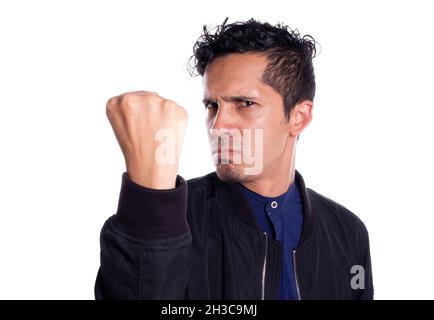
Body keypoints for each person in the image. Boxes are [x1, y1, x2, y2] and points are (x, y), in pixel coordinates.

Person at [95, 18, 374, 300]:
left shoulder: (348, 234)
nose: (218, 126)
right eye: (212, 105)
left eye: (245, 104)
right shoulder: (172, 217)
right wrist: (150, 204)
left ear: (298, 117)